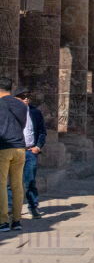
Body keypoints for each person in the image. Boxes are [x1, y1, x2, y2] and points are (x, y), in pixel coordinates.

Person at [0, 78, 28, 231]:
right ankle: (17, 220)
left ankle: (3, 221)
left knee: (1, 185)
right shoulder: (20, 104)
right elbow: (22, 124)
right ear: (11, 88)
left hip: (4, 147)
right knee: (17, 185)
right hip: (20, 147)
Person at [11, 88, 42, 220]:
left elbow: (42, 131)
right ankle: (11, 208)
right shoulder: (10, 112)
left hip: (29, 151)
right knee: (11, 182)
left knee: (30, 181)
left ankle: (33, 207)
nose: (25, 99)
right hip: (14, 150)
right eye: (22, 96)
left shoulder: (35, 113)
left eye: (27, 96)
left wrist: (38, 146)